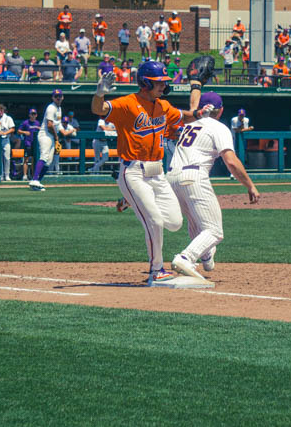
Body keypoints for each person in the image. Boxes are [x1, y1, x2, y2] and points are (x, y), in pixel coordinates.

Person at [91, 60, 202, 285]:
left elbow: (184, 116)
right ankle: (156, 270)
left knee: (174, 222)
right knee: (154, 221)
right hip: (133, 171)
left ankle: (130, 199)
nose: (163, 86)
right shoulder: (127, 104)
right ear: (144, 83)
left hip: (156, 173)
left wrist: (200, 113)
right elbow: (99, 110)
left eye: (164, 82)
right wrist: (99, 93)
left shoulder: (163, 106)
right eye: (158, 82)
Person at [166, 91, 260, 281]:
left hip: (172, 177)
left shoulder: (189, 124)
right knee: (214, 230)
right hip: (194, 174)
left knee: (197, 225)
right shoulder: (219, 127)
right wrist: (250, 185)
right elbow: (231, 161)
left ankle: (206, 256)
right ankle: (186, 257)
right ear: (221, 110)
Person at [29, 89, 63, 191]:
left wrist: (64, 132)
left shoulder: (59, 108)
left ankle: (37, 183)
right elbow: (49, 125)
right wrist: (57, 137)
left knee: (49, 161)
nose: (58, 98)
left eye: (60, 96)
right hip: (45, 135)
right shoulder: (51, 107)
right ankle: (34, 179)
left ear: (62, 97)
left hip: (52, 136)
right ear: (53, 98)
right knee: (44, 156)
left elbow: (57, 124)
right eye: (56, 96)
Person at [0, 104, 15, 180]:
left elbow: (12, 129)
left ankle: (7, 175)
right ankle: (0, 175)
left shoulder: (8, 118)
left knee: (7, 157)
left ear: (4, 110)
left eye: (1, 110)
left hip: (6, 139)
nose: (0, 111)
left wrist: (5, 133)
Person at [17, 108, 40, 180]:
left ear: (36, 115)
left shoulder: (37, 123)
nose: (33, 115)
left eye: (34, 114)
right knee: (26, 159)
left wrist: (39, 128)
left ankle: (34, 176)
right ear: (29, 115)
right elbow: (18, 131)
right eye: (32, 114)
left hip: (35, 144)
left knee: (34, 160)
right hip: (27, 143)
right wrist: (25, 132)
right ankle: (25, 175)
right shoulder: (25, 123)